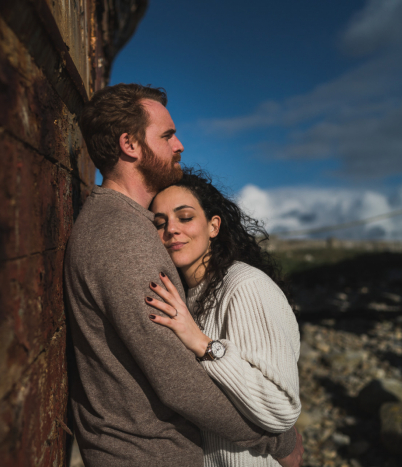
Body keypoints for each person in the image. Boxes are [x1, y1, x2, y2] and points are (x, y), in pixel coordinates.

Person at [64, 83, 303, 467]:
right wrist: (276, 440)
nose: (180, 146)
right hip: (146, 455)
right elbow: (178, 381)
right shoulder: (124, 238)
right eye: (168, 135)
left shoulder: (124, 226)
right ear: (130, 144)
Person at [146, 169, 301, 466]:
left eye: (185, 217)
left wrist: (203, 344)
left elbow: (283, 409)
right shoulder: (185, 293)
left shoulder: (245, 287)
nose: (172, 230)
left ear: (213, 226)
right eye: (159, 223)